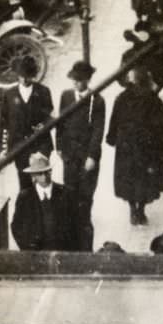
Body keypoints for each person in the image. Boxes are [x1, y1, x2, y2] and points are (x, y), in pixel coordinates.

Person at [107, 66, 163, 226]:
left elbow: (115, 120)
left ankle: (132, 209)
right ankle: (140, 210)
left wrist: (112, 138)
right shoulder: (152, 98)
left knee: (128, 178)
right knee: (144, 179)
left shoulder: (121, 97)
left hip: (126, 145)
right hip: (146, 146)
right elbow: (161, 123)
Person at [55, 60, 105, 253]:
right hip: (69, 155)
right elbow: (60, 122)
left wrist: (92, 156)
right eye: (73, 80)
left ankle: (84, 235)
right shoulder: (66, 96)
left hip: (87, 158)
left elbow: (98, 131)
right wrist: (59, 146)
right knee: (70, 191)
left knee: (85, 196)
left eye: (79, 80)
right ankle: (71, 232)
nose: (75, 83)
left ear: (87, 80)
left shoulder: (97, 100)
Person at [0, 56, 54, 190]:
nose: (24, 80)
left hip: (40, 146)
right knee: (25, 185)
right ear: (17, 75)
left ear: (33, 76)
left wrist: (44, 125)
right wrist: (3, 148)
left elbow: (49, 116)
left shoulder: (43, 92)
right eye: (21, 76)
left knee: (42, 184)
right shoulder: (9, 95)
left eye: (28, 76)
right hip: (19, 148)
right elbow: (4, 122)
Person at [9, 152, 79, 252]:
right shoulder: (25, 197)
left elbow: (75, 225)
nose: (44, 176)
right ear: (33, 176)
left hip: (61, 252)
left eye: (47, 172)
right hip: (35, 254)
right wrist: (28, 248)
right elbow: (16, 226)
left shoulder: (65, 193)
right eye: (40, 173)